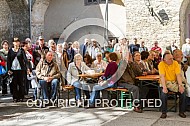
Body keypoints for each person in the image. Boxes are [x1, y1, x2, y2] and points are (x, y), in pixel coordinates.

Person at [159, 52, 186, 118]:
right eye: (169, 59)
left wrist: (180, 86)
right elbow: (162, 76)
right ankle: (164, 112)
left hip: (174, 83)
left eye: (172, 58)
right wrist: (164, 87)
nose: (172, 60)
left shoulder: (175, 63)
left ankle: (181, 112)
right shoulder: (161, 64)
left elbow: (178, 75)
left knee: (183, 92)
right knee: (163, 94)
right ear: (164, 60)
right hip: (164, 83)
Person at [7, 38, 29, 102]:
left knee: (21, 83)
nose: (16, 43)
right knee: (14, 83)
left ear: (19, 43)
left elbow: (25, 59)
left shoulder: (21, 50)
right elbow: (8, 61)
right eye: (15, 42)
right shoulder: (10, 51)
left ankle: (21, 96)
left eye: (17, 42)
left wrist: (27, 68)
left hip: (20, 69)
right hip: (13, 69)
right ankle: (15, 97)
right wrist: (8, 69)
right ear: (13, 43)